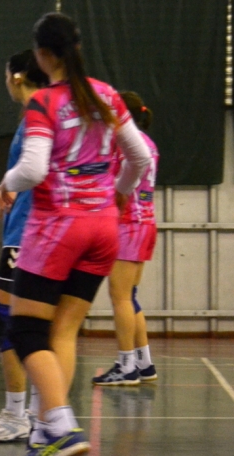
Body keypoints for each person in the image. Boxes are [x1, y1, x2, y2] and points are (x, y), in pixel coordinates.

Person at [0, 13, 151, 456]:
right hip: (104, 228)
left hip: (59, 228)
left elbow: (33, 169)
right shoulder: (106, 95)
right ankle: (44, 432)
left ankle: (62, 428)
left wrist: (4, 186)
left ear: (41, 55)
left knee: (24, 329)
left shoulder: (45, 102)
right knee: (63, 330)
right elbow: (140, 157)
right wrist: (120, 193)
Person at [0, 49, 49, 443]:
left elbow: (34, 172)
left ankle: (17, 414)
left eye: (6, 75)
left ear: (17, 77)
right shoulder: (50, 113)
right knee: (35, 324)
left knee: (5, 318)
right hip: (39, 231)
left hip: (27, 235)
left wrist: (0, 192)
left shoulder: (37, 112)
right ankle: (38, 414)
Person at [92, 91, 160, 386]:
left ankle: (126, 366)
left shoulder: (125, 144)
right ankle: (144, 363)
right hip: (146, 222)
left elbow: (115, 183)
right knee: (129, 297)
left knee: (119, 297)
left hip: (129, 223)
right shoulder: (148, 143)